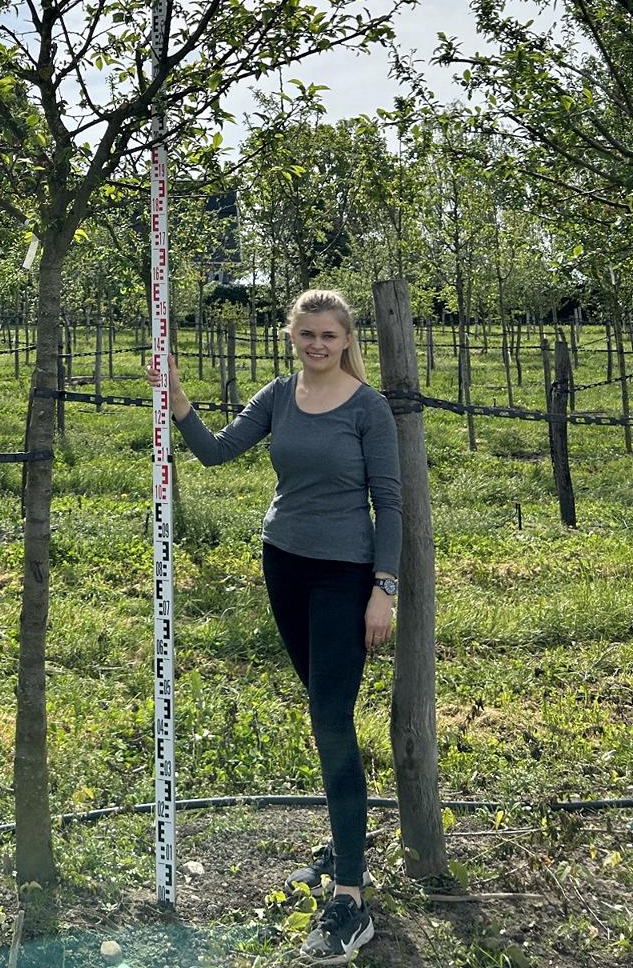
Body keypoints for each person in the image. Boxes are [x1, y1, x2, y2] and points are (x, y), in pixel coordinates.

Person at [149, 288, 401, 964]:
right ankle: (346, 846)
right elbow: (216, 451)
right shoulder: (280, 395)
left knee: (332, 722)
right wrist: (177, 402)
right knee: (324, 714)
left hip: (344, 578)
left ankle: (351, 897)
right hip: (283, 564)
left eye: (329, 335)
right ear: (291, 335)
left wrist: (384, 589)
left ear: (347, 339)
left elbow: (391, 503)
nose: (318, 344)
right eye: (307, 334)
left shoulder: (368, 409)